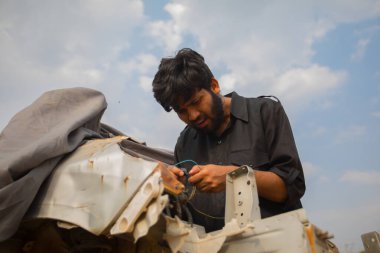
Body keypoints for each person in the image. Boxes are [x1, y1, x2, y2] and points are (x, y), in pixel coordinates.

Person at [152, 48, 305, 232]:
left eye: (195, 101)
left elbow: (291, 188)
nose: (192, 115)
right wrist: (167, 187)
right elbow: (183, 215)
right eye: (181, 111)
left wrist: (232, 177)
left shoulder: (265, 112)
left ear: (214, 85)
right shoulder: (184, 143)